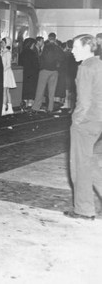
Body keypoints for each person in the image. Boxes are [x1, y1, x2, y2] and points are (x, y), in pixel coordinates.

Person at [64, 34, 102, 220]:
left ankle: (84, 209)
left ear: (87, 47)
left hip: (86, 122)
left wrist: (75, 121)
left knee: (80, 165)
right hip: (98, 120)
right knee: (92, 163)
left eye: (75, 47)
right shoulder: (99, 64)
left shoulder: (85, 67)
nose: (72, 51)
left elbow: (84, 102)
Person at [31, 32, 64, 113]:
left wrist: (41, 67)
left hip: (45, 70)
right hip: (54, 71)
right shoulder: (58, 48)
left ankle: (36, 108)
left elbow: (41, 58)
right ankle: (50, 108)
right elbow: (62, 59)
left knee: (40, 90)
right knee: (51, 92)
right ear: (55, 38)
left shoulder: (45, 47)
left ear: (49, 38)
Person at [18, 37, 39, 110]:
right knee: (31, 91)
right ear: (32, 45)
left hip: (24, 74)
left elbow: (20, 64)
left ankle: (24, 105)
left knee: (25, 91)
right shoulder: (33, 53)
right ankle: (30, 106)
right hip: (32, 75)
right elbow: (36, 65)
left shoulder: (22, 53)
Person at [1, 37, 16, 116]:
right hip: (5, 72)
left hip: (6, 73)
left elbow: (8, 65)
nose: (1, 43)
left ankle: (3, 109)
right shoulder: (3, 52)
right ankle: (10, 108)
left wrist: (2, 71)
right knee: (6, 91)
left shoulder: (7, 53)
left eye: (3, 42)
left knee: (4, 91)